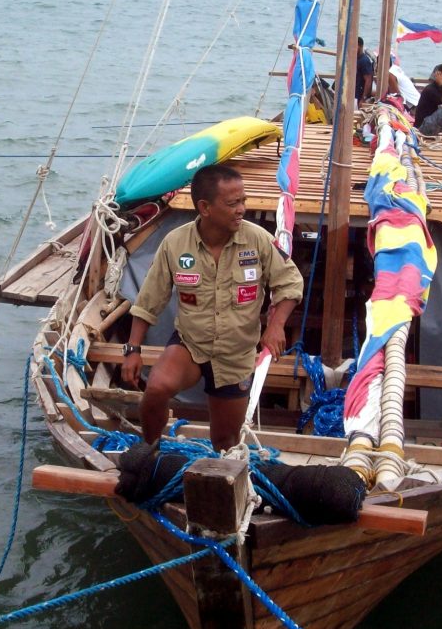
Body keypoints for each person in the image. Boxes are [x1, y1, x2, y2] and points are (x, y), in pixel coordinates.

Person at [121, 165, 304, 452]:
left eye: (243, 201)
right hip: (191, 345)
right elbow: (149, 300)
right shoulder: (175, 243)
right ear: (205, 208)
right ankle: (150, 451)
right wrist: (133, 350)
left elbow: (290, 283)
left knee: (224, 442)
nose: (242, 209)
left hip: (236, 354)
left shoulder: (257, 240)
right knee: (155, 389)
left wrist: (276, 324)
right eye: (233, 204)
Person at [356, 36, 374, 105]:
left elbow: (368, 80)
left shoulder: (365, 61)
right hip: (354, 94)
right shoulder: (354, 59)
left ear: (360, 46)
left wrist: (363, 98)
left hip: (359, 96)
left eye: (355, 46)